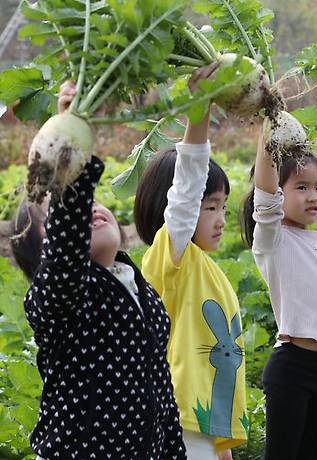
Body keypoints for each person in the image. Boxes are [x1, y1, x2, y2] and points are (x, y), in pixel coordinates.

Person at [10, 82, 186, 459]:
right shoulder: (58, 300)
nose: (90, 208)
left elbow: (161, 391)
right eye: (52, 222)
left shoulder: (139, 288)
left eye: (92, 200)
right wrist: (73, 141)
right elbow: (65, 253)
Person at [134, 64, 246, 458]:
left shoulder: (206, 267)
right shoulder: (171, 258)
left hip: (203, 428)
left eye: (222, 207)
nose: (220, 218)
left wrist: (223, 447)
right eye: (210, 206)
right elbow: (184, 195)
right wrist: (198, 113)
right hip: (180, 421)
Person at [240, 125, 317, 460]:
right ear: (279, 193)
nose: (314, 196)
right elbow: (264, 196)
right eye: (302, 187)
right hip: (290, 369)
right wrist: (270, 128)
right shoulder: (273, 239)